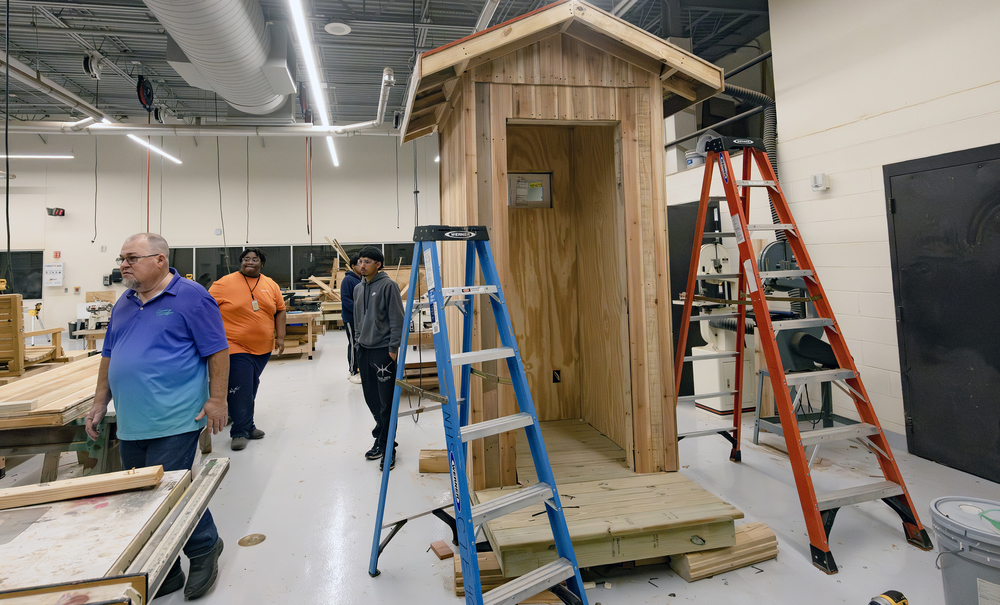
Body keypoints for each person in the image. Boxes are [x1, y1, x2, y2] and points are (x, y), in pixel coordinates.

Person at [85, 233, 229, 601]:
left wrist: (217, 399)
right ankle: (169, 567)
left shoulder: (192, 296)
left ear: (160, 260)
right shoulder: (125, 302)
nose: (123, 265)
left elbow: (217, 350)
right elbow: (109, 355)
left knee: (168, 492)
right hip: (131, 420)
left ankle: (204, 548)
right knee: (142, 495)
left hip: (176, 415)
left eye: (131, 258)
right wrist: (100, 401)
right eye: (122, 259)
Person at [208, 248, 286, 451]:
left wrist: (281, 337)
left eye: (254, 259)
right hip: (234, 345)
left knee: (250, 385)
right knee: (242, 387)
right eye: (246, 259)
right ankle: (239, 432)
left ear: (262, 264)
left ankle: (248, 425)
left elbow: (280, 310)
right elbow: (205, 308)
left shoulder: (270, 284)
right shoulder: (224, 283)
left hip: (263, 348)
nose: (249, 262)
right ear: (241, 262)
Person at [353, 246, 404, 470]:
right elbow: (357, 319)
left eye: (367, 261)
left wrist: (393, 348)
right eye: (360, 261)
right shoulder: (358, 288)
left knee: (387, 402)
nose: (362, 265)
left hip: (383, 350)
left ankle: (387, 446)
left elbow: (397, 319)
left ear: (378, 264)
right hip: (364, 350)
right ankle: (381, 437)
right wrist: (358, 343)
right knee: (371, 398)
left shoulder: (388, 286)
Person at [340, 255, 362, 384]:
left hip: (361, 318)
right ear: (353, 266)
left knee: (360, 344)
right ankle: (353, 372)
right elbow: (346, 300)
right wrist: (360, 310)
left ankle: (358, 369)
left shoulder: (363, 279)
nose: (363, 265)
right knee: (353, 344)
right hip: (351, 318)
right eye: (360, 263)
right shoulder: (347, 280)